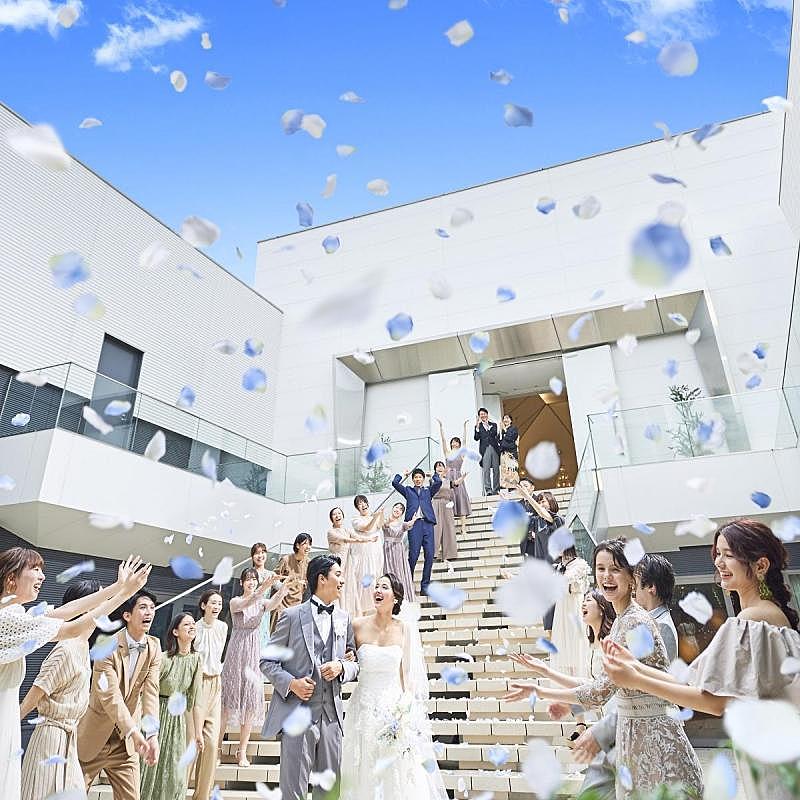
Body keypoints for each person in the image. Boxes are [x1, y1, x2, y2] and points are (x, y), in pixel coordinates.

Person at [602, 519, 800, 800]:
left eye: (729, 554)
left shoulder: (751, 620)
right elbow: (694, 682)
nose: (719, 562)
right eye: (717, 553)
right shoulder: (768, 614)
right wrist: (635, 668)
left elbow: (713, 702)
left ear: (761, 565)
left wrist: (636, 678)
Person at [503, 538, 703, 800]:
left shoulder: (634, 621)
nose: (606, 576)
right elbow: (599, 684)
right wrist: (546, 675)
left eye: (615, 569)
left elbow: (598, 693)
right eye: (600, 568)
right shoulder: (621, 621)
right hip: (634, 737)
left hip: (655, 739)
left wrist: (541, 691)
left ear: (632, 577)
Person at [0, 549, 150, 800]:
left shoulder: (16, 615)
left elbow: (68, 611)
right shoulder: (7, 619)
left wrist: (118, 587)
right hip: (30, 729)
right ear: (10, 578)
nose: (42, 576)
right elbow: (72, 627)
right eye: (35, 569)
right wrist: (124, 593)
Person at [570, 554, 680, 800]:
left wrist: (599, 731)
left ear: (650, 587)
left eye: (636, 581)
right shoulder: (628, 621)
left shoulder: (654, 624)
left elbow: (652, 690)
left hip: (640, 730)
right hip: (625, 729)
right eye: (600, 569)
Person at [260, 554, 360, 800]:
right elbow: (267, 661)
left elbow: (354, 662)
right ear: (322, 579)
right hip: (297, 713)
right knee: (293, 791)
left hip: (331, 717)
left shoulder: (344, 619)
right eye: (338, 575)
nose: (342, 580)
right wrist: (291, 683)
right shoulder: (291, 616)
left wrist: (341, 667)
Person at [340, 573, 448, 800]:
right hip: (363, 708)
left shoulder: (404, 628)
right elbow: (347, 661)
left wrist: (406, 708)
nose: (378, 591)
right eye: (376, 586)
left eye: (384, 587)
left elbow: (406, 675)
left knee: (395, 772)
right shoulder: (357, 625)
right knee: (363, 767)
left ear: (395, 597)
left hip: (393, 709)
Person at [78, 588, 164, 800]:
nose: (149, 612)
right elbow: (110, 696)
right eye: (142, 607)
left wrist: (152, 735)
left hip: (126, 746)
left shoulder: (154, 647)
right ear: (127, 615)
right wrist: (133, 731)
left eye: (152, 608)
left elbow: (151, 693)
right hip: (95, 737)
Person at [220, 568, 291, 767]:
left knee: (250, 702)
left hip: (253, 651)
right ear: (242, 582)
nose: (251, 582)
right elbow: (247, 603)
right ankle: (216, 748)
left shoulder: (261, 602)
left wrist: (284, 587)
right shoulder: (235, 601)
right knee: (227, 702)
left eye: (254, 579)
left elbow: (274, 603)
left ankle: (241, 751)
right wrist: (263, 587)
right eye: (248, 579)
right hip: (236, 650)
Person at [140, 612, 203, 800]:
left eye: (193, 624)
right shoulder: (163, 658)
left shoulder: (196, 659)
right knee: (148, 767)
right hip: (157, 713)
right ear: (175, 632)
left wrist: (198, 732)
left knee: (175, 770)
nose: (192, 627)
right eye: (186, 624)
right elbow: (147, 690)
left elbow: (196, 698)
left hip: (177, 720)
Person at [191, 589, 227, 800]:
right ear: (203, 605)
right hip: (197, 683)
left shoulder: (223, 627)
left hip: (216, 683)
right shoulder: (194, 628)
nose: (217, 607)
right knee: (191, 742)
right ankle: (179, 791)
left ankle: (202, 796)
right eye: (213, 603)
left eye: (219, 603)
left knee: (212, 744)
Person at [391, 468, 442, 597]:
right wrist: (403, 474)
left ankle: (425, 587)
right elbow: (395, 483)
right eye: (416, 477)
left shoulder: (428, 490)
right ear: (413, 479)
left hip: (428, 524)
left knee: (429, 555)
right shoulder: (408, 491)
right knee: (413, 556)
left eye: (420, 477)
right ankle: (408, 584)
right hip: (414, 525)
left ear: (423, 479)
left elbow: (439, 483)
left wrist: (433, 475)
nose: (418, 479)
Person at [327, 506, 378, 617]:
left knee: (349, 586)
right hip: (337, 562)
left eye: (339, 513)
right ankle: (336, 612)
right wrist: (359, 540)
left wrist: (369, 539)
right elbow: (345, 540)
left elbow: (358, 536)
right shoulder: (331, 532)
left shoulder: (347, 530)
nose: (337, 516)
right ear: (331, 519)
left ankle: (348, 612)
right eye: (334, 514)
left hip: (348, 561)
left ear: (342, 516)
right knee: (337, 584)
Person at [550, 546, 592, 676]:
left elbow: (567, 579)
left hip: (574, 606)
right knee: (562, 640)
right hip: (561, 607)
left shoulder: (579, 564)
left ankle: (579, 676)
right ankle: (566, 677)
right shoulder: (558, 566)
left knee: (576, 639)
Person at [532, 490, 564, 638]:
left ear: (551, 502)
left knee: (558, 609)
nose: (540, 504)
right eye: (539, 501)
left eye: (543, 501)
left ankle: (562, 644)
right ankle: (553, 645)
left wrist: (526, 494)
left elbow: (545, 515)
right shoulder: (537, 522)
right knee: (548, 613)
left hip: (557, 569)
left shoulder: (557, 519)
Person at [436, 418, 472, 536]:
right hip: (448, 478)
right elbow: (443, 440)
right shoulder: (447, 453)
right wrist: (441, 427)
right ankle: (449, 529)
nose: (454, 443)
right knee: (449, 501)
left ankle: (463, 528)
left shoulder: (461, 453)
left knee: (461, 500)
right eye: (453, 441)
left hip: (458, 477)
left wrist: (464, 427)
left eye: (456, 442)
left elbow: (465, 441)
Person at [350, 496, 385, 615]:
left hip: (376, 551)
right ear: (357, 507)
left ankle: (376, 606)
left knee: (376, 576)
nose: (363, 504)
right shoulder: (356, 519)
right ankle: (362, 609)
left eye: (364, 502)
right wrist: (374, 517)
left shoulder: (372, 517)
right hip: (364, 554)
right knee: (365, 579)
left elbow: (380, 525)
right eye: (360, 503)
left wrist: (381, 514)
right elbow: (366, 528)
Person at [271, 533, 312, 632]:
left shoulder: (309, 563)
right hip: (281, 603)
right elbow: (274, 578)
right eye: (305, 544)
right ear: (297, 545)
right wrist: (284, 587)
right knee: (277, 632)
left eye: (310, 544)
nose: (308, 547)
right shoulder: (286, 559)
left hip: (297, 603)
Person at [382, 502, 416, 603]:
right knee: (389, 572)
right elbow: (385, 525)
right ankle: (389, 598)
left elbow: (408, 525)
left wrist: (414, 520)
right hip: (387, 549)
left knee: (400, 572)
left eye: (400, 509)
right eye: (396, 507)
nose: (397, 510)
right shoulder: (386, 520)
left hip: (398, 550)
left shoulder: (402, 524)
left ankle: (402, 597)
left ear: (402, 513)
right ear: (392, 508)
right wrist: (388, 520)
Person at [515, 478, 553, 559]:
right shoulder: (518, 505)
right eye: (521, 486)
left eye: (525, 486)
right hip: (526, 542)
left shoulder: (539, 501)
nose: (523, 488)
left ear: (532, 487)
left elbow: (545, 516)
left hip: (539, 540)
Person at [251, 542, 276, 649]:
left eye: (263, 552)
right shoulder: (249, 573)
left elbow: (280, 588)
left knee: (263, 638)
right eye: (257, 553)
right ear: (252, 557)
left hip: (265, 610)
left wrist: (290, 582)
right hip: (251, 609)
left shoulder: (271, 574)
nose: (260, 555)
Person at [432, 461, 457, 562]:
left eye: (441, 466)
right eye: (437, 467)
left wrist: (462, 477)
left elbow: (455, 484)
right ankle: (433, 553)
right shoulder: (433, 479)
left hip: (446, 504)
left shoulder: (448, 481)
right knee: (436, 529)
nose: (439, 468)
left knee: (449, 528)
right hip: (436, 503)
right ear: (435, 469)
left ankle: (449, 554)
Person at [473, 407, 500, 495]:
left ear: (487, 414)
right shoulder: (478, 426)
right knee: (486, 470)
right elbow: (476, 438)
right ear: (479, 416)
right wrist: (477, 428)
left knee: (496, 470)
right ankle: (488, 490)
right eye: (481, 414)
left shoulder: (493, 424)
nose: (483, 415)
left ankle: (496, 490)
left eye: (484, 413)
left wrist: (488, 426)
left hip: (494, 448)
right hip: (485, 449)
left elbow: (494, 433)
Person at [498, 413, 519, 490]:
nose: (505, 420)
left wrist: (505, 430)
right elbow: (499, 440)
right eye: (504, 418)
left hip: (511, 452)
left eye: (507, 418)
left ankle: (513, 486)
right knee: (504, 469)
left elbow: (510, 438)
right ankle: (505, 486)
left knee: (512, 469)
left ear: (511, 420)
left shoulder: (513, 428)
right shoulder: (502, 430)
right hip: (503, 453)